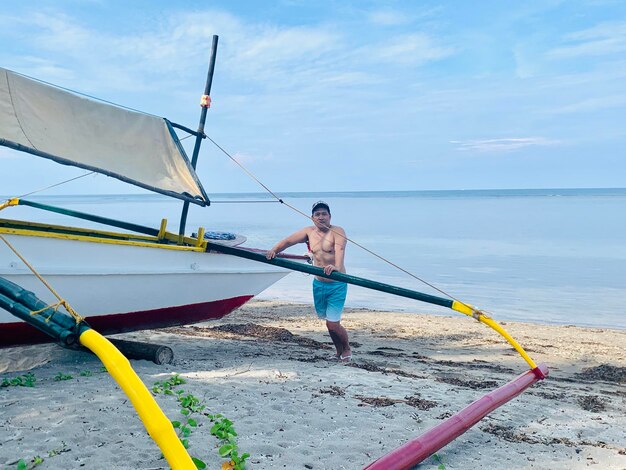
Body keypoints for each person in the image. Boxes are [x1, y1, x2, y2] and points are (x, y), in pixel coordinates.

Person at [266, 201, 351, 362]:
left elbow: (340, 251)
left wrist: (336, 267)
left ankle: (346, 349)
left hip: (336, 284)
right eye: (317, 214)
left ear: (330, 216)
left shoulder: (337, 231)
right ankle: (338, 351)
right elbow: (288, 241)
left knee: (333, 324)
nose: (321, 217)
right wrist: (274, 250)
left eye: (324, 214)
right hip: (318, 283)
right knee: (328, 324)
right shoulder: (309, 232)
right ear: (312, 218)